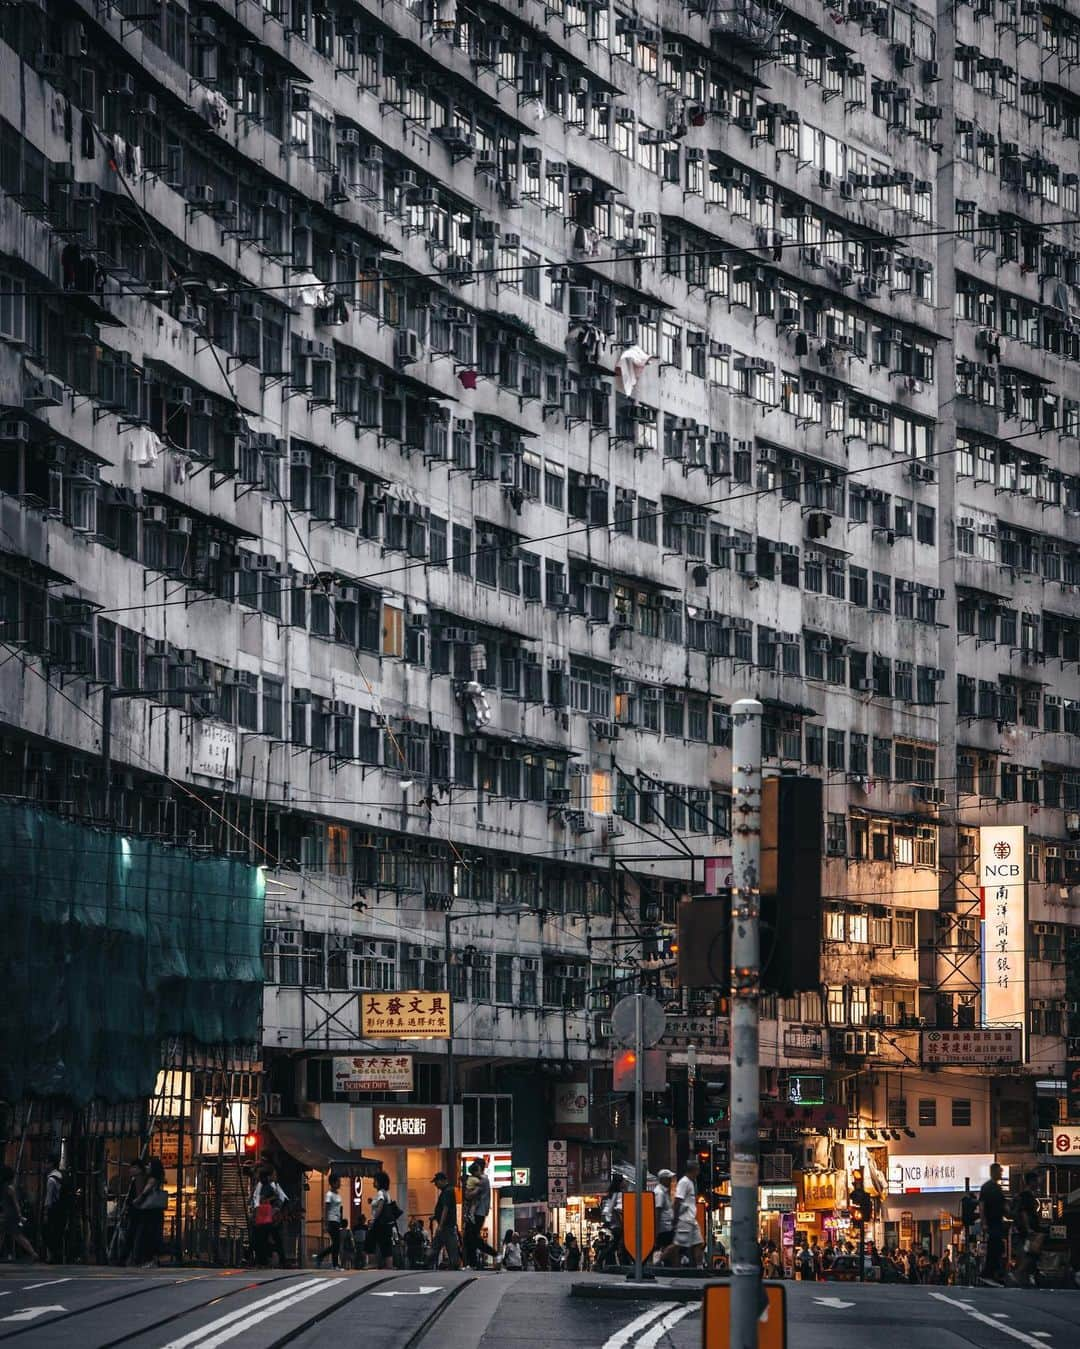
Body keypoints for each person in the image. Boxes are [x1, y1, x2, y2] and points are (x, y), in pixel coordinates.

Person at [462, 1160, 498, 1269]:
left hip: (479, 1213)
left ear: (479, 1168)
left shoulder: (484, 1180)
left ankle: (494, 1254)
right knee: (469, 1237)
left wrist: (467, 1182)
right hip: (476, 1213)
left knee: (472, 1237)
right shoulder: (479, 1179)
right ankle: (472, 1263)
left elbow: (469, 1195)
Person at [131, 1157, 167, 1267]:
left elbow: (145, 1192)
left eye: (149, 1165)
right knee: (154, 1235)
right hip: (157, 1212)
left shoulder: (152, 1179)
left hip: (150, 1211)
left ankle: (148, 1260)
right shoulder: (160, 1178)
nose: (147, 1167)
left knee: (146, 1236)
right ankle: (153, 1259)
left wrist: (138, 1200)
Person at [250, 1164, 288, 1268]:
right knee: (270, 1239)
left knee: (260, 1240)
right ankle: (275, 1260)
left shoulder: (268, 1186)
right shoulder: (265, 1185)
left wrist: (274, 1208)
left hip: (267, 1217)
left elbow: (280, 1199)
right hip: (267, 1218)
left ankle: (264, 1261)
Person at [1011, 1170, 1043, 1288]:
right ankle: (1019, 1273)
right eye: (1036, 1180)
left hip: (1029, 1230)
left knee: (1031, 1253)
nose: (1038, 1183)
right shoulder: (1026, 1195)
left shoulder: (1027, 1195)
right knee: (1031, 1253)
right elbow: (1024, 1212)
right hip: (1029, 1231)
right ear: (1031, 1181)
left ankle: (1029, 1275)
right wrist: (1028, 1228)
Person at [0, 1165, 38, 1261]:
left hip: (9, 1215)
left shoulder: (8, 1188)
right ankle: (33, 1253)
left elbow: (15, 1203)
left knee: (17, 1235)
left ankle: (33, 1253)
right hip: (9, 1215)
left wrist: (20, 1215)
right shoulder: (7, 1187)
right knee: (14, 1235)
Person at [978, 1161, 1007, 1286]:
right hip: (992, 1222)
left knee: (998, 1247)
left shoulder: (997, 1188)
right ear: (994, 1172)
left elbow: (1004, 1207)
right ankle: (988, 1273)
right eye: (1000, 1170)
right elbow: (982, 1206)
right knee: (995, 1246)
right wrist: (984, 1222)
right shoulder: (987, 1187)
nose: (1001, 1173)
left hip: (997, 1222)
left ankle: (993, 1273)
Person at [673, 1159, 704, 1267]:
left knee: (698, 1243)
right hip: (685, 1219)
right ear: (693, 1170)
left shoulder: (690, 1182)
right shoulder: (684, 1182)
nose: (699, 1172)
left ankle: (700, 1267)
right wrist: (675, 1217)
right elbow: (677, 1200)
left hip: (691, 1219)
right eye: (698, 1170)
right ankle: (659, 1260)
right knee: (677, 1245)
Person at [429, 1172, 461, 1271]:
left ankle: (454, 1265)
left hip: (447, 1226)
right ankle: (429, 1263)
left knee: (449, 1247)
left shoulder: (447, 1191)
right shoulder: (446, 1191)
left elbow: (446, 1209)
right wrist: (435, 1216)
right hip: (446, 1226)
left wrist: (440, 1225)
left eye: (436, 1182)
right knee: (440, 1246)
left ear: (442, 1180)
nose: (435, 1185)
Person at [368, 1171, 397, 1269]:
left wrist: (374, 1219)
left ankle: (372, 1263)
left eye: (375, 1181)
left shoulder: (380, 1193)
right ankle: (389, 1265)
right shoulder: (386, 1193)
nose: (373, 1182)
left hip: (379, 1223)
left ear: (379, 1182)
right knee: (386, 1244)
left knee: (370, 1241)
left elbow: (380, 1205)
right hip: (387, 1224)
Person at [43, 1152, 68, 1264]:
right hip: (62, 1209)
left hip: (53, 1210)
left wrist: (45, 1213)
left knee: (48, 1233)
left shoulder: (51, 1180)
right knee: (58, 1234)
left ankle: (52, 1256)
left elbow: (48, 1199)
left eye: (46, 1162)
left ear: (51, 1164)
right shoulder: (60, 1175)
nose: (44, 1165)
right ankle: (57, 1256)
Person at [315, 1175, 344, 1269]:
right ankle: (334, 1264)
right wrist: (325, 1223)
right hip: (331, 1220)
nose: (340, 1183)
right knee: (336, 1243)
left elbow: (339, 1208)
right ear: (334, 1183)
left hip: (337, 1220)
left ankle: (321, 1257)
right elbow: (326, 1208)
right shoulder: (329, 1194)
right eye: (339, 1181)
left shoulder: (338, 1194)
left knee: (337, 1243)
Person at [601, 1175, 625, 1265]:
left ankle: (623, 1262)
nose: (625, 1182)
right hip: (617, 1223)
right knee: (616, 1244)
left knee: (616, 1244)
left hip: (613, 1223)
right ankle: (600, 1260)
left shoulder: (612, 1194)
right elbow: (619, 1209)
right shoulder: (617, 1194)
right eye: (623, 1181)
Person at [653, 1169, 675, 1259]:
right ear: (662, 1179)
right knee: (673, 1248)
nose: (670, 1181)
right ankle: (659, 1260)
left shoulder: (665, 1192)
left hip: (667, 1226)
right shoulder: (659, 1193)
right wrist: (656, 1230)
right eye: (668, 1178)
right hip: (664, 1228)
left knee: (670, 1248)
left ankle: (662, 1260)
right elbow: (657, 1211)